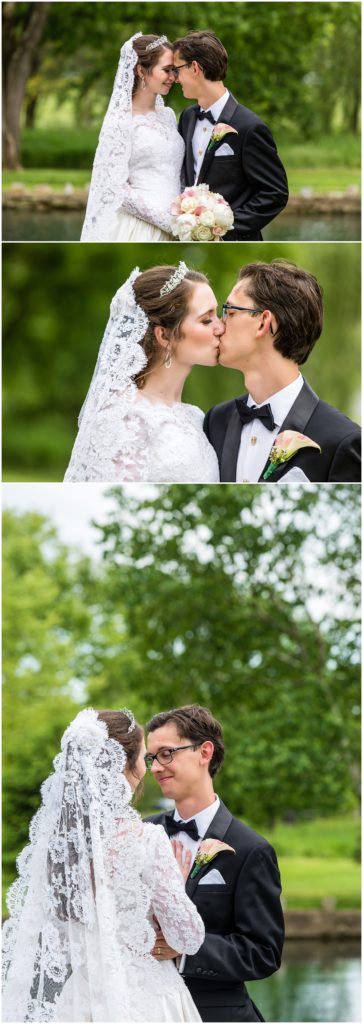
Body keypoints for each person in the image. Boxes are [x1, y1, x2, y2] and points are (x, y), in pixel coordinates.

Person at [2, 708, 205, 1022]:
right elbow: (189, 937)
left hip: (80, 1002)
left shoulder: (60, 850)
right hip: (146, 1001)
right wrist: (178, 879)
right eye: (144, 758)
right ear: (125, 763)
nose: (148, 767)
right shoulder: (147, 839)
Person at [145, 704, 284, 1023]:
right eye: (152, 758)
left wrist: (185, 949)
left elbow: (264, 952)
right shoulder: (142, 835)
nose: (155, 767)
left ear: (204, 752)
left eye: (166, 753)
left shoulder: (251, 849)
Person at [64, 262, 222, 483]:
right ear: (164, 336)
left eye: (218, 315)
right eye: (207, 320)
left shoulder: (196, 416)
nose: (221, 327)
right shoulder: (126, 417)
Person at [204, 259, 361, 482]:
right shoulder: (215, 421)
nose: (219, 326)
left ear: (263, 322)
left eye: (229, 311)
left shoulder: (342, 441)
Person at [173, 31, 288, 241]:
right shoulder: (187, 118)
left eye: (177, 69)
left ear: (195, 68)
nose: (175, 78)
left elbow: (274, 193)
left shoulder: (250, 127)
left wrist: (224, 226)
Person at [81, 33, 184, 241]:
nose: (173, 77)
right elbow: (114, 185)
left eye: (174, 70)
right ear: (141, 70)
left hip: (179, 226)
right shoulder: (121, 121)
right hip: (142, 228)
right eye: (166, 70)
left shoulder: (169, 115)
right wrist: (164, 221)